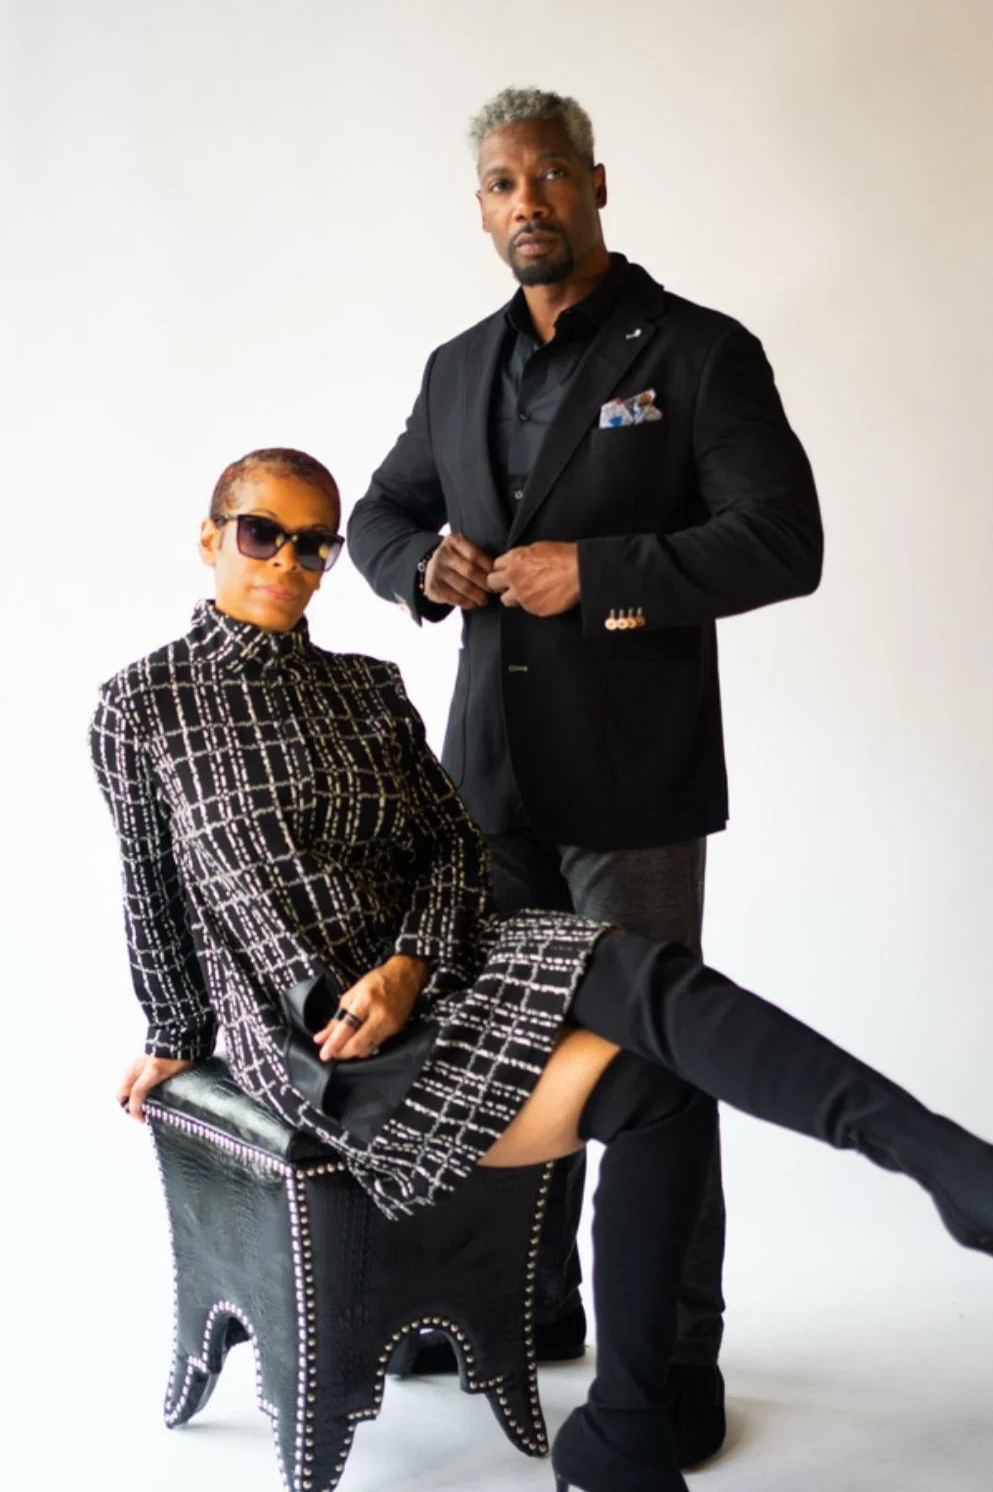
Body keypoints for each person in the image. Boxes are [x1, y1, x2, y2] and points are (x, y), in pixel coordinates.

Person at [91, 448, 993, 1492]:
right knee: (654, 1077)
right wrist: (173, 1038)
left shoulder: (367, 689)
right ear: (211, 537)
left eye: (314, 544)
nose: (288, 563)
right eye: (262, 535)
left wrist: (410, 963)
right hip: (322, 1038)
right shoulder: (140, 707)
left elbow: (450, 849)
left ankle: (931, 1168)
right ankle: (638, 1427)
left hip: (435, 970)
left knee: (651, 998)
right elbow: (152, 891)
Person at [346, 85, 824, 1457]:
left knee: (655, 1061)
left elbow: (782, 540)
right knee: (501, 1046)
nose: (529, 202)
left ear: (596, 184)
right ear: (481, 207)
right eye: (503, 184)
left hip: (633, 788)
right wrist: (421, 567)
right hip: (487, 787)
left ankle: (670, 1363)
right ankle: (530, 1302)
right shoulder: (456, 369)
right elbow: (379, 513)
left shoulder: (698, 349)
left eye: (550, 175)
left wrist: (603, 573)